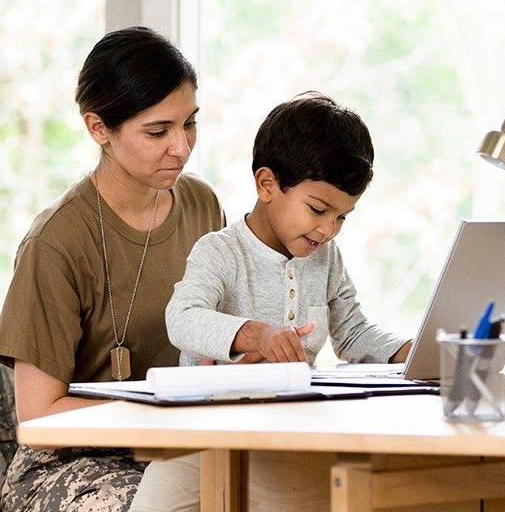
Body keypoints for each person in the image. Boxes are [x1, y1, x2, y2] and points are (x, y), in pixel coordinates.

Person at [130, 92, 412, 511]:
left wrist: (408, 351)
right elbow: (183, 318)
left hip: (287, 441)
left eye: (342, 217)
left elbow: (352, 333)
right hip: (200, 441)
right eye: (318, 209)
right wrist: (256, 335)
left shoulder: (325, 257)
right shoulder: (220, 252)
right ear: (267, 185)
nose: (329, 229)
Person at [0, 26, 224, 511]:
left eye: (190, 123)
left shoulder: (203, 205)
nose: (182, 147)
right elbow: (38, 417)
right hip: (68, 465)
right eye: (158, 131)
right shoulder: (55, 243)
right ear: (99, 128)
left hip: (179, 447)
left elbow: (218, 339)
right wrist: (163, 408)